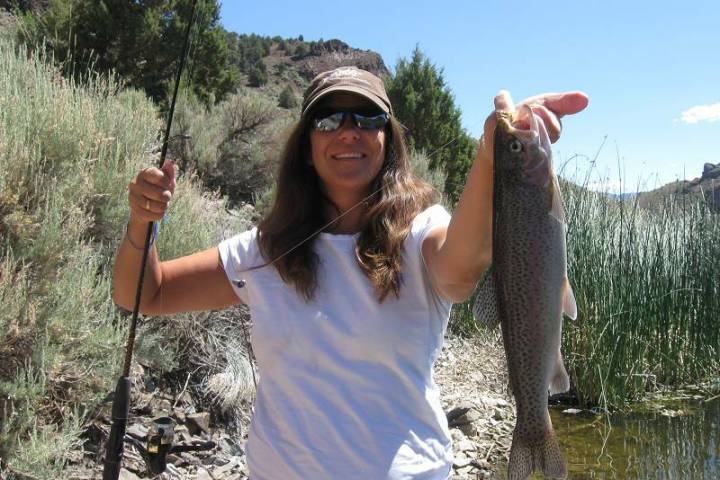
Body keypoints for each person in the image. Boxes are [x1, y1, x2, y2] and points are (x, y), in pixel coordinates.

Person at [112, 66, 588, 479]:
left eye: (367, 118)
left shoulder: (424, 233)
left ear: (388, 137)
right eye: (328, 119)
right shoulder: (263, 251)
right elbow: (145, 295)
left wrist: (493, 149)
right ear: (305, 145)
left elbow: (460, 276)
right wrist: (141, 223)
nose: (348, 130)